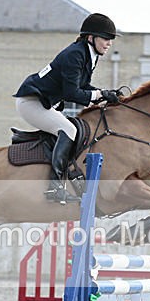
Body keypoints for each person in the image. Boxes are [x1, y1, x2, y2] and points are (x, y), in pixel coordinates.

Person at [14, 12, 121, 202]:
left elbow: (83, 86)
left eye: (110, 39)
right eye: (105, 38)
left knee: (70, 130)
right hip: (31, 102)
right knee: (69, 129)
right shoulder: (75, 54)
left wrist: (104, 93)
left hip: (44, 102)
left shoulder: (88, 54)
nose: (109, 43)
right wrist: (99, 95)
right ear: (91, 37)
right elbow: (72, 93)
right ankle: (54, 189)